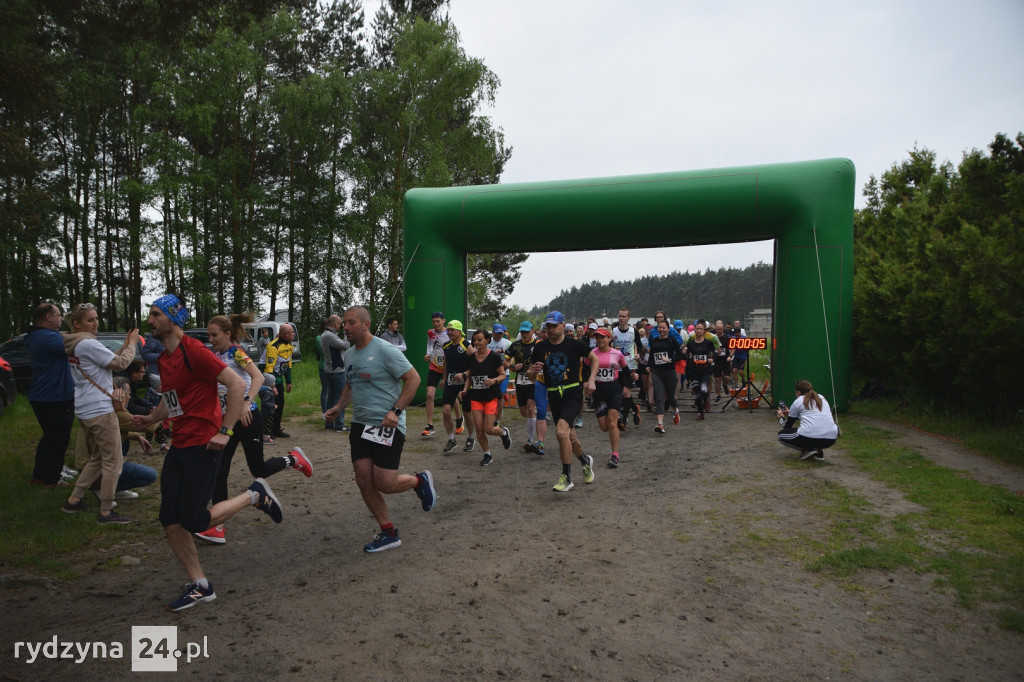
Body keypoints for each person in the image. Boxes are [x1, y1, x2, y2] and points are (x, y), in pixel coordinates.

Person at [131, 294, 286, 611]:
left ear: (174, 319)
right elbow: (170, 399)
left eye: (156, 314)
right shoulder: (164, 357)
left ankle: (254, 494)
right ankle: (201, 584)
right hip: (179, 444)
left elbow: (236, 385)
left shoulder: (195, 352)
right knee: (169, 519)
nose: (150, 321)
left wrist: (224, 431)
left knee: (194, 519)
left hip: (203, 444)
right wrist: (151, 419)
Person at [325, 305, 435, 553]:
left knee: (384, 482)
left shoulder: (385, 350)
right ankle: (388, 532)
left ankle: (419, 481)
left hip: (388, 425)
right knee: (363, 479)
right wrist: (338, 407)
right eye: (344, 323)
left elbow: (414, 379)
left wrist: (395, 411)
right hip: (360, 425)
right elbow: (351, 385)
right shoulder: (350, 354)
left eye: (351, 322)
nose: (346, 327)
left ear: (366, 324)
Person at [195, 313, 313, 545]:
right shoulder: (213, 355)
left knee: (258, 469)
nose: (211, 340)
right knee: (219, 470)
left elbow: (258, 377)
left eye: (214, 335)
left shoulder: (236, 352)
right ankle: (217, 526)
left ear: (228, 334)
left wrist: (247, 401)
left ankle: (294, 459)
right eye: (208, 335)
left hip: (248, 419)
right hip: (226, 422)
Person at [59, 303, 139, 524]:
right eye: (90, 320)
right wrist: (132, 345)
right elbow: (121, 363)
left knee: (98, 458)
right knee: (114, 462)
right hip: (100, 410)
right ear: (77, 323)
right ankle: (106, 512)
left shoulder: (76, 343)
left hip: (86, 408)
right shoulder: (86, 343)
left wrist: (124, 344)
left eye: (96, 319)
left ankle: (73, 501)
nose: (96, 323)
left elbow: (104, 361)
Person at [528, 311, 594, 492]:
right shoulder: (540, 347)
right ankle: (585, 461)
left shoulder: (574, 344)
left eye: (554, 326)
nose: (550, 330)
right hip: (554, 395)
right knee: (570, 437)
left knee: (560, 433)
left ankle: (566, 477)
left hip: (573, 392)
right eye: (548, 326)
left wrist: (592, 380)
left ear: (563, 326)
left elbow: (594, 358)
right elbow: (529, 375)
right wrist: (534, 370)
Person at [25, 303, 75, 487]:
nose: (61, 319)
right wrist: (80, 330)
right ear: (48, 317)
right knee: (58, 439)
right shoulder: (46, 337)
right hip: (53, 396)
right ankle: (52, 479)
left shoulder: (40, 336)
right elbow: (73, 345)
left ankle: (39, 475)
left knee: (50, 437)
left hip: (46, 395)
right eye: (59, 315)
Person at [462, 328, 512, 466]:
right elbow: (471, 376)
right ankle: (487, 454)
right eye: (475, 340)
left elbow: (502, 375)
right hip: (476, 396)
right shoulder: (471, 358)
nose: (476, 342)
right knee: (478, 428)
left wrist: (494, 380)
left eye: (480, 340)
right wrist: (465, 389)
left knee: (488, 428)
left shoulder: (494, 357)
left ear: (487, 341)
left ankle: (503, 433)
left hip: (490, 396)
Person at [584, 328, 632, 467]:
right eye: (597, 338)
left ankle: (615, 455)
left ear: (609, 339)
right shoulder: (592, 353)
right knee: (604, 427)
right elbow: (585, 368)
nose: (600, 340)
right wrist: (586, 381)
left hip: (613, 389)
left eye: (603, 337)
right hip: (598, 391)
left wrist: (632, 378)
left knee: (611, 424)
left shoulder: (617, 353)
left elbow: (625, 368)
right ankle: (617, 415)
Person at [422, 311, 463, 437]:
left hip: (448, 367)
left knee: (451, 396)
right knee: (429, 394)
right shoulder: (430, 332)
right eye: (433, 321)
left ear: (443, 320)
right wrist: (428, 353)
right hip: (434, 366)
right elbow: (430, 345)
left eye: (438, 321)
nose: (435, 324)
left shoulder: (450, 333)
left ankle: (459, 418)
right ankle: (430, 425)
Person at [777, 380, 839, 461]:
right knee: (816, 430)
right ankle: (818, 453)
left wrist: (781, 417)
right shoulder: (821, 397)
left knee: (781, 436)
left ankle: (808, 449)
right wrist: (796, 414)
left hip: (811, 437)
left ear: (798, 392)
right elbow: (816, 417)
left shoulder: (798, 401)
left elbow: (787, 426)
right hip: (831, 438)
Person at [438, 321, 475, 454]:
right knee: (446, 411)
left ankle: (471, 438)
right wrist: (443, 378)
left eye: (453, 330)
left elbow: (475, 364)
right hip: (450, 382)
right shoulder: (446, 345)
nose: (450, 332)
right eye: (448, 330)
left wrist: (464, 374)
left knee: (467, 413)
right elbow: (446, 364)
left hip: (465, 383)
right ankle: (451, 439)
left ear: (459, 331)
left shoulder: (466, 345)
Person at [506, 320, 542, 454]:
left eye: (527, 331)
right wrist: (513, 367)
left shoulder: (539, 344)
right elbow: (505, 361)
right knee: (523, 412)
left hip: (534, 380)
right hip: (520, 380)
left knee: (531, 407)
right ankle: (537, 418)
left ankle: (530, 440)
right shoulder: (515, 345)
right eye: (522, 332)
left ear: (533, 331)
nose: (525, 334)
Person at [648, 320, 682, 433]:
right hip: (657, 372)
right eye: (659, 327)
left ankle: (675, 410)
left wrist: (671, 359)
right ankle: (660, 424)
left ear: (668, 329)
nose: (661, 330)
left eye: (663, 328)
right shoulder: (654, 341)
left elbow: (682, 355)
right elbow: (652, 356)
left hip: (669, 372)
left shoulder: (671, 341)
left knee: (671, 397)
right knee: (658, 398)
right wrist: (649, 366)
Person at [264, 323, 295, 439]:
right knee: (271, 406)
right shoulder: (273, 346)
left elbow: (288, 365)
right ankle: (268, 431)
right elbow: (268, 368)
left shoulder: (289, 346)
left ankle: (276, 429)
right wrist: (272, 385)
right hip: (268, 379)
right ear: (284, 334)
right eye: (291, 332)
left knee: (280, 404)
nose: (293, 334)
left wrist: (288, 381)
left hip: (279, 379)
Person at [684, 320, 718, 421]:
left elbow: (716, 352)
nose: (698, 331)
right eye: (697, 329)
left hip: (705, 370)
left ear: (704, 331)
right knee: (696, 392)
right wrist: (685, 353)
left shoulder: (708, 342)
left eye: (701, 329)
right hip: (694, 370)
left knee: (703, 390)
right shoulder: (690, 343)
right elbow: (685, 353)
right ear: (694, 330)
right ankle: (700, 412)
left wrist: (712, 359)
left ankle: (706, 399)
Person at [321, 314, 350, 431]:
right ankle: (339, 424)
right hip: (337, 371)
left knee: (331, 398)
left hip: (330, 370)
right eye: (340, 324)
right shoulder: (330, 336)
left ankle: (329, 423)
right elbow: (346, 345)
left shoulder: (325, 334)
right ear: (334, 324)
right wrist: (346, 334)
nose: (341, 326)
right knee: (340, 398)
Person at [487, 323, 512, 424]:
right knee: (491, 395)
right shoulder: (488, 342)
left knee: (500, 395)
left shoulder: (508, 343)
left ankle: (497, 419)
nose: (498, 335)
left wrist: (504, 354)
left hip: (504, 373)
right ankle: (490, 413)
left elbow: (512, 357)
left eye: (500, 333)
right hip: (490, 373)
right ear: (492, 332)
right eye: (496, 333)